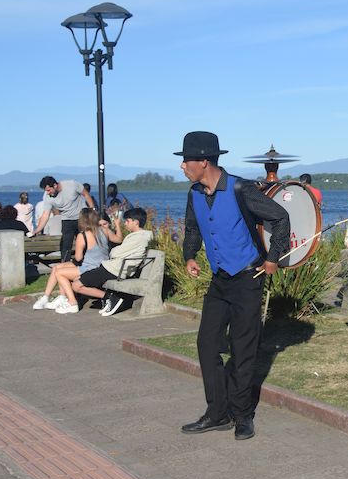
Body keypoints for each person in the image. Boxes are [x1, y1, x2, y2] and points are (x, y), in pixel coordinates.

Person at [176, 131, 290, 441]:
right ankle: (217, 413)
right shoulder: (194, 194)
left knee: (242, 348)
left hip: (247, 278)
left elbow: (280, 217)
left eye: (186, 161)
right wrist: (189, 256)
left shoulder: (240, 188)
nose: (182, 166)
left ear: (203, 162)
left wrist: (273, 258)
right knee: (207, 344)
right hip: (220, 280)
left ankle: (242, 415)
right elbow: (193, 228)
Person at [69, 207, 152, 316]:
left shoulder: (138, 238)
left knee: (76, 285)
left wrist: (113, 251)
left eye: (127, 221)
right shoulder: (138, 236)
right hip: (112, 267)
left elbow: (115, 253)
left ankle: (110, 298)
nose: (125, 223)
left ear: (136, 222)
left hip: (113, 269)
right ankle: (108, 298)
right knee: (78, 279)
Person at [31, 208, 107, 311]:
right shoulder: (103, 231)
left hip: (89, 266)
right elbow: (118, 239)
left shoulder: (83, 235)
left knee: (59, 272)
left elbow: (78, 258)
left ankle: (71, 302)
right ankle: (48, 297)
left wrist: (72, 262)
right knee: (56, 268)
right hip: (95, 264)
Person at [31, 176, 95, 262]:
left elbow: (86, 194)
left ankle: (89, 261)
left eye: (49, 190)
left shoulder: (72, 185)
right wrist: (37, 230)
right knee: (66, 244)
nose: (47, 193)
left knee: (85, 241)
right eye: (46, 191)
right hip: (67, 220)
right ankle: (65, 263)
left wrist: (92, 210)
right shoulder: (48, 197)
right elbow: (45, 215)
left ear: (55, 185)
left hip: (81, 217)